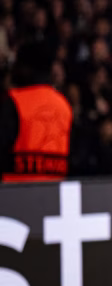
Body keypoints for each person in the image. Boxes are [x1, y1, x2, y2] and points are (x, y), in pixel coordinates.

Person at [0, 40, 74, 183]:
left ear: (25, 68)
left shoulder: (13, 101)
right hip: (55, 191)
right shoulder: (63, 104)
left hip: (13, 193)